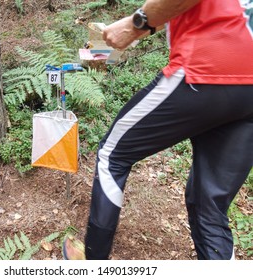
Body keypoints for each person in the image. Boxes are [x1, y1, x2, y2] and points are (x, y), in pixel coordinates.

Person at [63, 0, 253, 260]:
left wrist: (136, 23)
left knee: (111, 155)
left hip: (206, 65)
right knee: (209, 204)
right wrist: (144, 26)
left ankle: (92, 264)